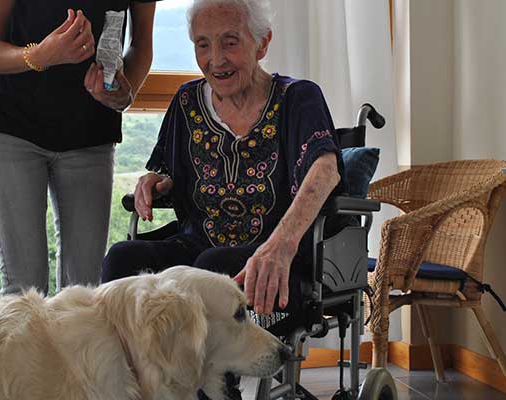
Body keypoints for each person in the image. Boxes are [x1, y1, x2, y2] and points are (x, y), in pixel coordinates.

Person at [102, 0, 353, 317]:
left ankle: (215, 367)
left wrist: (280, 245)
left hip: (276, 252)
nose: (216, 60)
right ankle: (132, 365)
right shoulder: (186, 102)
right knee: (123, 258)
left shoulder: (298, 97)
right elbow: (176, 172)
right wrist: (159, 182)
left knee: (212, 269)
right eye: (203, 45)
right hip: (197, 246)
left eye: (230, 43)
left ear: (262, 44)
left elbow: (326, 169)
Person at [0, 0, 160, 295]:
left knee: (83, 291)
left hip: (90, 135)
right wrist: (39, 55)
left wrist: (126, 92)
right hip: (9, 129)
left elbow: (141, 47)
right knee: (23, 289)